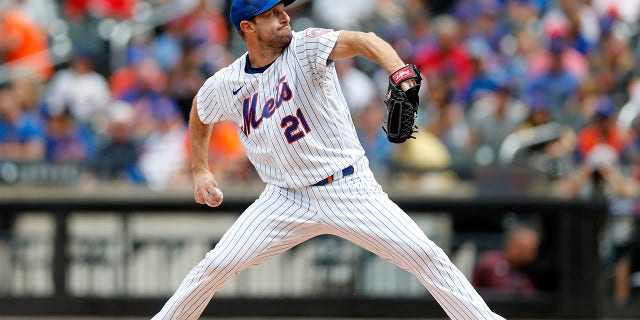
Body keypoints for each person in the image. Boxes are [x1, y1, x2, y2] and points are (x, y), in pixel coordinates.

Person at [152, 1, 506, 319]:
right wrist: (200, 169)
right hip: (284, 198)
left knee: (426, 256)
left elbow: (366, 40)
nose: (284, 16)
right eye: (272, 13)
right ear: (248, 27)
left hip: (349, 187)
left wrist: (400, 73)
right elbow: (200, 110)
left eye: (282, 8)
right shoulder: (228, 82)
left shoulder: (305, 45)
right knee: (214, 266)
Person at [472, 226, 541, 295]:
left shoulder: (528, 270)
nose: (528, 254)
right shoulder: (491, 262)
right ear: (511, 244)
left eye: (532, 250)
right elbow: (500, 293)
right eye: (523, 249)